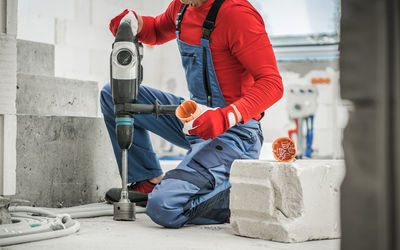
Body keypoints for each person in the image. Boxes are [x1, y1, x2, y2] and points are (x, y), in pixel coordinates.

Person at [100, 0, 283, 228]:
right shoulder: (182, 7)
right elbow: (157, 30)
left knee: (164, 206)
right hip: (195, 118)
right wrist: (135, 24)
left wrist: (225, 117)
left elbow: (272, 84)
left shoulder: (238, 15)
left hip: (235, 133)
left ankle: (240, 193)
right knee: (112, 95)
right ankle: (148, 180)